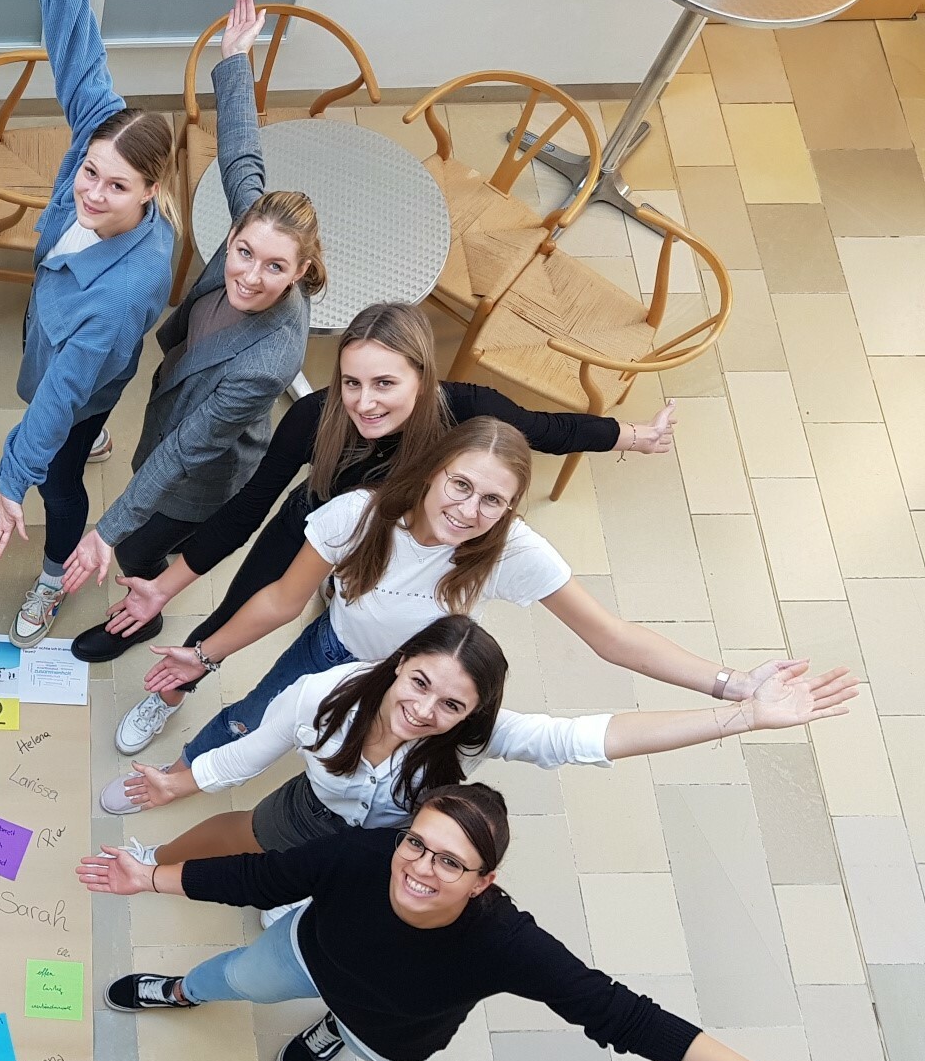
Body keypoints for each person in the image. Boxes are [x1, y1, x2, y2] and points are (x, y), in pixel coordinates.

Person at [80, 783, 899, 1061]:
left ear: (485, 882)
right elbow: (262, 877)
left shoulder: (505, 942)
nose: (420, 869)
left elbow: (621, 1015)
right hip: (306, 951)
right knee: (237, 977)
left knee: (359, 1031)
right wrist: (151, 878)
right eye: (418, 844)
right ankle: (184, 991)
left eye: (450, 863)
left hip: (392, 1026)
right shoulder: (368, 854)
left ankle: (336, 1030)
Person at [104, 301, 676, 750]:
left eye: (384, 384)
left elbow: (550, 430)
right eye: (352, 382)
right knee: (238, 610)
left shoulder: (468, 408)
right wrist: (165, 586)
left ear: (422, 377)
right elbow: (248, 507)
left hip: (404, 543)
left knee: (376, 623)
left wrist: (633, 436)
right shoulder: (313, 416)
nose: (364, 402)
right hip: (320, 524)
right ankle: (174, 689)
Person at [121, 416, 791, 773]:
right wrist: (203, 655)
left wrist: (728, 686)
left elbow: (610, 636)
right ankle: (185, 771)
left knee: (361, 765)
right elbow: (282, 600)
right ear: (434, 472)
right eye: (462, 486)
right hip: (335, 642)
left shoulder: (511, 549)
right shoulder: (362, 515)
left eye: (494, 500)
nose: (472, 511)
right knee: (254, 718)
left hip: (414, 680)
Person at [101, 618, 855, 862]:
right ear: (398, 665)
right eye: (420, 683)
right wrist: (182, 778)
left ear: (474, 714)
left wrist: (740, 717)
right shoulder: (321, 695)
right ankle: (156, 860)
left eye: (453, 704)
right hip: (316, 805)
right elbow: (253, 751)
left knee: (352, 908)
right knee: (252, 831)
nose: (427, 711)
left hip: (403, 840)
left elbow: (593, 737)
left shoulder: (477, 736)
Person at [60, 0, 321, 663]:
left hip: (201, 474)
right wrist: (235, 60)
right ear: (234, 234)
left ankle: (139, 618)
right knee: (143, 512)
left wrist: (107, 531)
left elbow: (184, 450)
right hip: (176, 415)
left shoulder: (271, 354)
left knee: (145, 547)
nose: (250, 275)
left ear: (300, 271)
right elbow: (243, 160)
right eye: (244, 252)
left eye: (274, 267)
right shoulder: (252, 227)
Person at [0, 0, 178, 649]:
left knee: (62, 478)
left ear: (151, 191)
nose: (92, 191)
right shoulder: (107, 142)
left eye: (116, 184)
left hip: (81, 363)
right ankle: (84, 444)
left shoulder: (124, 291)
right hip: (60, 325)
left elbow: (59, 394)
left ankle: (58, 573)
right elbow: (80, 59)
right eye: (89, 171)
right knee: (68, 420)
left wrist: (9, 482)